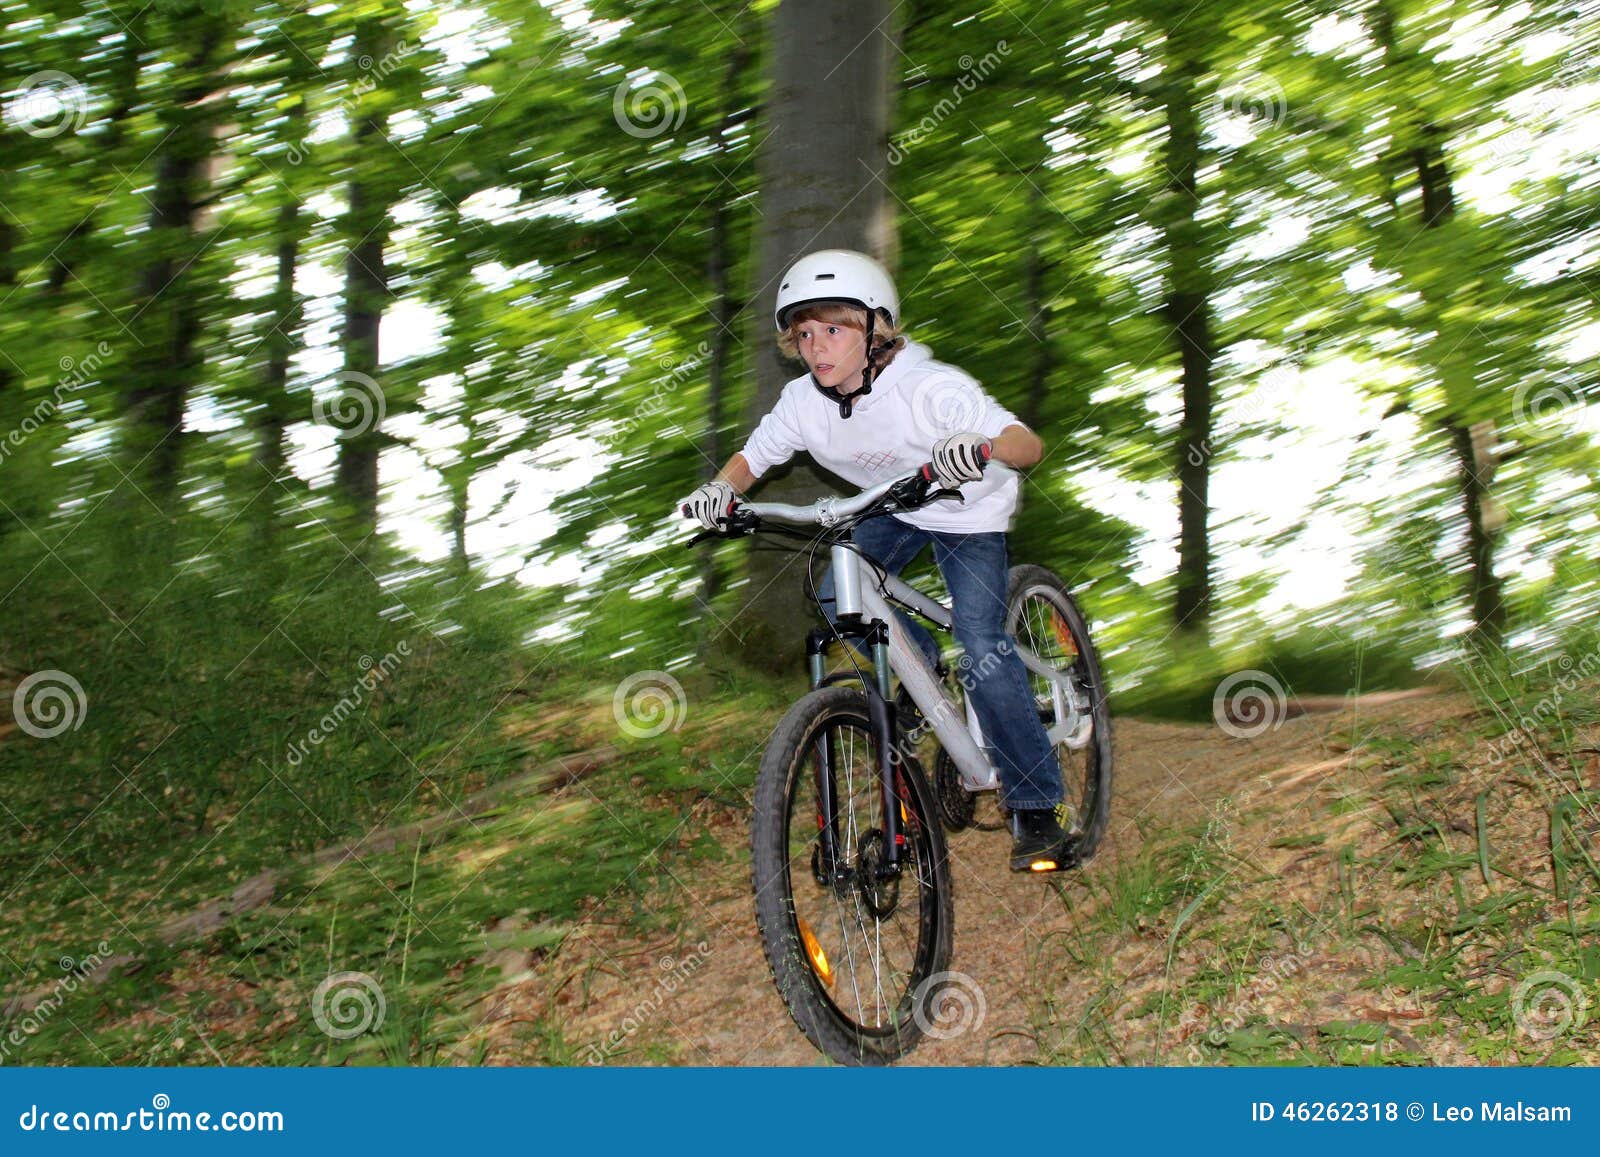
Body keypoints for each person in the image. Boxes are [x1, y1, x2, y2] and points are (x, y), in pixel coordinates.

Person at [680, 249, 1067, 871]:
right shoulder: (803, 402)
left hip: (968, 515)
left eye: (833, 329)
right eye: (804, 334)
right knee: (836, 590)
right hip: (894, 506)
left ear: (876, 328)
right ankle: (922, 672)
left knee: (979, 638)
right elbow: (754, 457)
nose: (816, 348)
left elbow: (1028, 445)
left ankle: (1037, 806)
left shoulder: (929, 388)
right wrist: (718, 492)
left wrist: (981, 445)